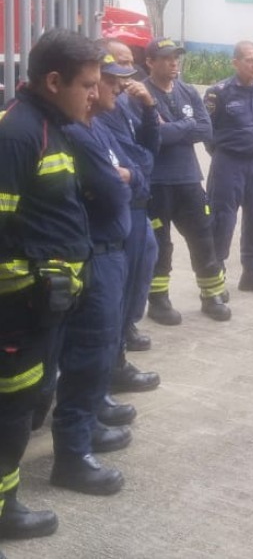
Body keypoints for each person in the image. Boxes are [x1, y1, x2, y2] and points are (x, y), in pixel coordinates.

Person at [0, 29, 99, 550]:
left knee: (25, 409)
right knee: (10, 415)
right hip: (16, 313)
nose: (95, 95)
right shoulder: (18, 134)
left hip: (43, 311)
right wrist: (35, 279)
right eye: (87, 85)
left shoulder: (52, 125)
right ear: (54, 81)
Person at [49, 51, 144, 497]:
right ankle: (72, 453)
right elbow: (111, 191)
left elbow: (138, 174)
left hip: (111, 250)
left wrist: (126, 178)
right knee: (88, 352)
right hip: (96, 253)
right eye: (95, 83)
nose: (108, 89)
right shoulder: (78, 133)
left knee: (101, 345)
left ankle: (85, 429)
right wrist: (122, 179)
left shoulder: (95, 128)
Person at [143, 38, 229, 323]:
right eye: (166, 57)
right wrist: (185, 127)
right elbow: (155, 136)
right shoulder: (141, 94)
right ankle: (158, 301)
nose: (173, 62)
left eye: (176, 57)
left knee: (203, 238)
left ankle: (211, 295)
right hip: (157, 183)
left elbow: (205, 129)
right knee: (160, 243)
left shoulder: (188, 91)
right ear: (150, 62)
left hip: (189, 179)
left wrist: (176, 128)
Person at [98, 39, 161, 407]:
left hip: (138, 203)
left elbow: (150, 148)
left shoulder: (127, 102)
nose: (124, 79)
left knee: (140, 275)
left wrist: (150, 108)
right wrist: (138, 171)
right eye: (116, 70)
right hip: (127, 207)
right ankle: (111, 366)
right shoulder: (105, 109)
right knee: (118, 292)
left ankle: (119, 351)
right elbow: (137, 161)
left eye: (128, 67)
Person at [205, 42, 253, 294]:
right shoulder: (219, 92)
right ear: (235, 63)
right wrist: (223, 153)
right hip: (228, 162)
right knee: (222, 219)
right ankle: (215, 278)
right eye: (250, 60)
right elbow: (208, 131)